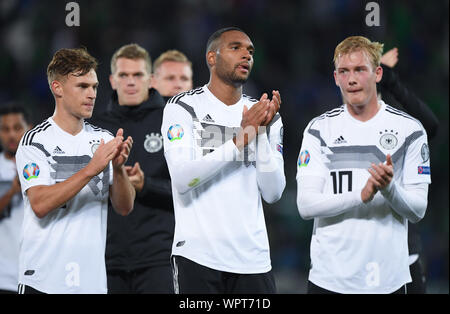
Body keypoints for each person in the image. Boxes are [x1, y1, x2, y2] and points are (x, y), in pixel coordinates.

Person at [296, 36, 431, 294]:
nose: (351, 79)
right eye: (344, 71)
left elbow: (418, 210)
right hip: (329, 280)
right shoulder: (318, 130)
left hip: (388, 281)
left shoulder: (410, 130)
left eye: (360, 69)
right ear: (336, 78)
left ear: (378, 73)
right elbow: (306, 205)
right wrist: (361, 195)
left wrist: (390, 189)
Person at [162, 27, 285, 294]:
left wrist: (260, 134)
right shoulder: (181, 107)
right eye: (235, 48)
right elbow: (183, 180)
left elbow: (273, 193)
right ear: (212, 58)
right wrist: (241, 138)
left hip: (253, 260)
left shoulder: (265, 115)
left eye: (250, 51)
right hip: (198, 257)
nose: (246, 55)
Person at [15, 48, 135, 294]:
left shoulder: (103, 139)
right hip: (43, 280)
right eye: (82, 86)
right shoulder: (35, 141)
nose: (91, 94)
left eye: (94, 86)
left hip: (91, 282)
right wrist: (91, 169)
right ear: (57, 88)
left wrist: (118, 169)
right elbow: (39, 204)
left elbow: (124, 207)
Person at [90, 43, 177, 293]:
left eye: (137, 75)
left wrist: (146, 185)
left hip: (159, 258)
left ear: (151, 79)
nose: (130, 82)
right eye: (123, 75)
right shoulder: (95, 128)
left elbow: (189, 188)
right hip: (107, 259)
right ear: (112, 80)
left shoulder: (172, 121)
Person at [379, 47, 439, 294]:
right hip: (357, 255)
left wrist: (391, 82)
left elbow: (430, 126)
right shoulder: (333, 126)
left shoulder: (397, 124)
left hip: (404, 253)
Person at [0, 105, 31, 294]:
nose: (11, 135)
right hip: (4, 275)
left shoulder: (43, 166)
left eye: (17, 128)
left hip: (38, 273)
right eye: (5, 129)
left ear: (29, 128)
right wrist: (13, 190)